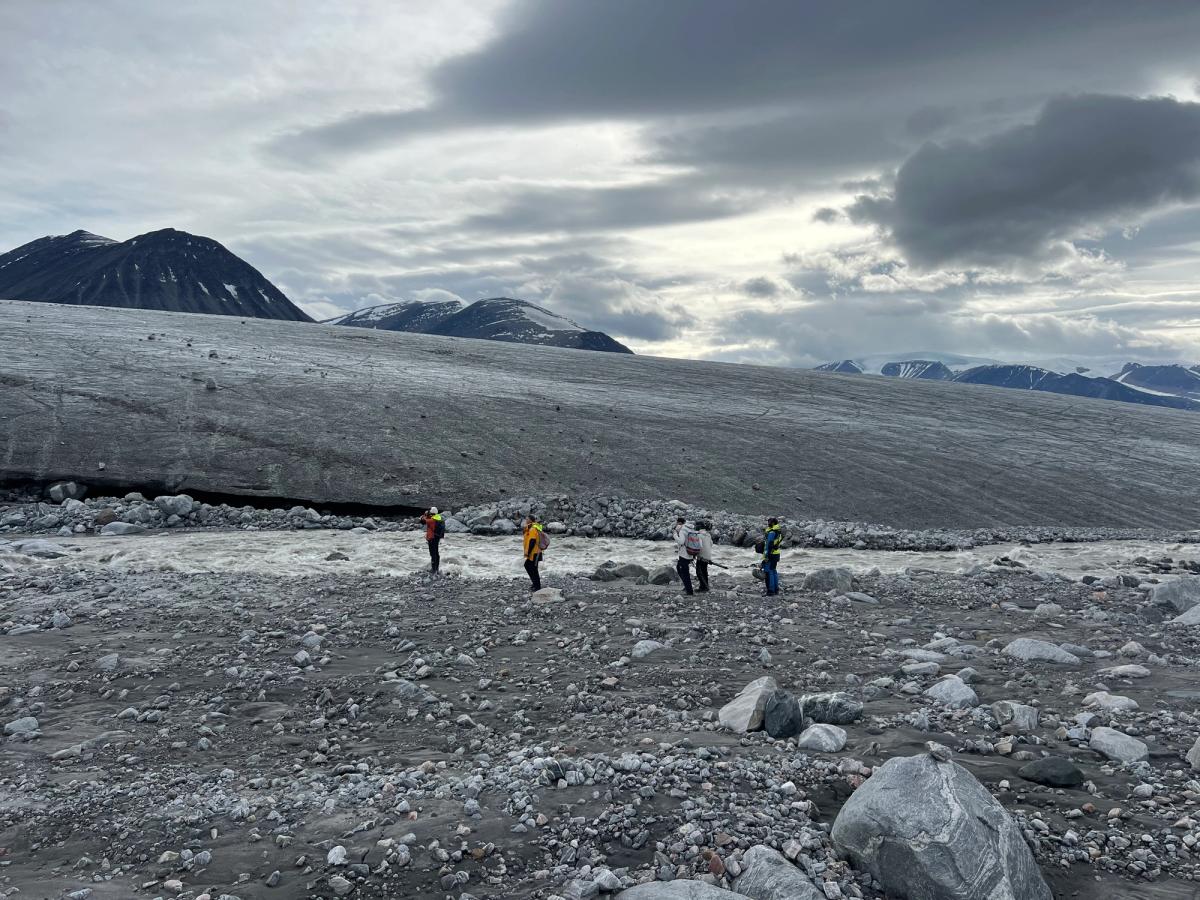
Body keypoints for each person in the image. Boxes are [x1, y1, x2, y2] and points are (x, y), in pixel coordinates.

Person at [673, 516, 695, 596]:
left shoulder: (682, 530)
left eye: (677, 523)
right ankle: (687, 587)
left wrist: (675, 535)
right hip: (690, 553)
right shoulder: (690, 529)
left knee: (684, 572)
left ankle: (689, 591)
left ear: (679, 523)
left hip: (684, 555)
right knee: (679, 568)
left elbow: (681, 542)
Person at [761, 517, 783, 596]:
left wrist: (766, 556)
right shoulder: (778, 531)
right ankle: (776, 590)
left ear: (773, 523)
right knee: (773, 571)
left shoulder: (771, 532)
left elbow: (769, 544)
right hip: (776, 553)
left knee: (769, 572)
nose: (768, 523)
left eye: (769, 522)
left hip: (771, 554)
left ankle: (770, 591)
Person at [522, 514, 544, 592]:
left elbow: (532, 541)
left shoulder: (533, 529)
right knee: (531, 567)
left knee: (530, 567)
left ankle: (537, 586)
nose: (525, 520)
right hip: (535, 552)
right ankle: (535, 584)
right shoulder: (532, 527)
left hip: (534, 553)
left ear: (531, 520)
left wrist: (528, 553)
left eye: (527, 519)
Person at [420, 507, 444, 574]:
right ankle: (437, 569)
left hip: (432, 538)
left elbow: (422, 521)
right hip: (437, 537)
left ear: (431, 513)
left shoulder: (431, 520)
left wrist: (424, 515)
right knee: (436, 553)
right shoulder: (438, 517)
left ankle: (433, 570)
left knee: (432, 554)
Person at [695, 521, 714, 593]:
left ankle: (704, 587)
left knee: (699, 572)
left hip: (701, 556)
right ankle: (704, 586)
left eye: (696, 525)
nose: (695, 527)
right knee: (704, 571)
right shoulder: (708, 535)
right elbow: (711, 544)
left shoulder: (698, 535)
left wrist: (695, 554)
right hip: (708, 555)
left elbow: (698, 546)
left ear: (699, 527)